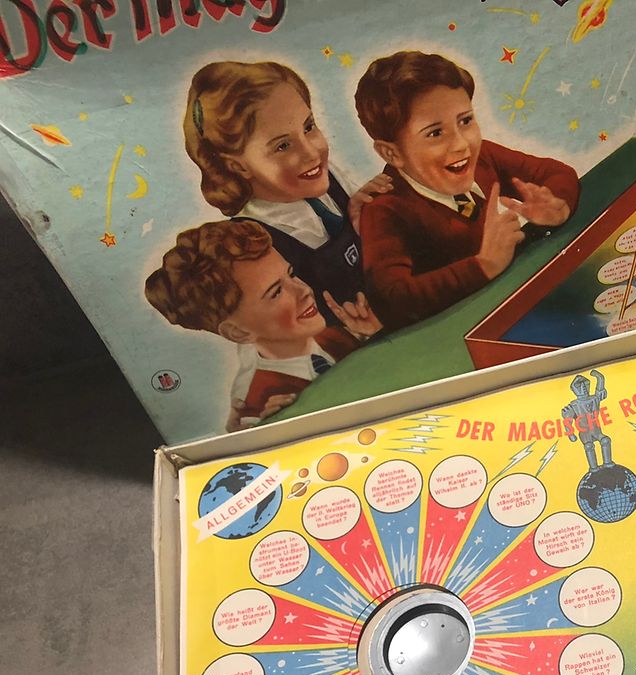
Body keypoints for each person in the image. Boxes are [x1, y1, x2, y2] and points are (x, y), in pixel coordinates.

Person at [353, 50, 581, 330]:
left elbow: (557, 173)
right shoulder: (383, 209)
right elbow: (393, 299)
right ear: (392, 153)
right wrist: (483, 265)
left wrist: (557, 204)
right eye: (435, 133)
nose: (461, 144)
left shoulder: (483, 157)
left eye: (465, 121)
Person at [182, 60, 389, 328]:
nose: (311, 153)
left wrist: (373, 219)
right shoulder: (252, 242)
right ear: (237, 166)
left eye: (309, 127)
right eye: (282, 146)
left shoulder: (329, 178)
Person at [145, 220, 380, 431]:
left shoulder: (332, 337)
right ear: (239, 332)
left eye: (291, 274)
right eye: (276, 292)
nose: (303, 290)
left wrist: (376, 336)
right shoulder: (258, 404)